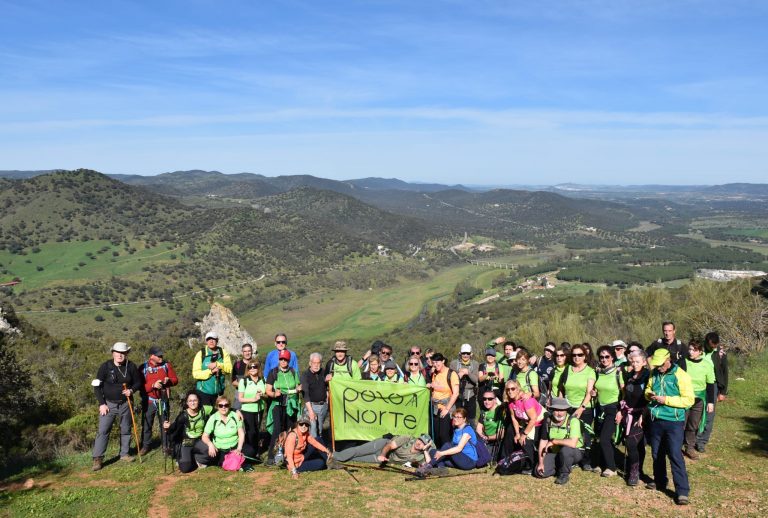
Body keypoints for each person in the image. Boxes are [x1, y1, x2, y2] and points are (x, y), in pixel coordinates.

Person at [645, 348, 694, 506]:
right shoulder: (654, 374)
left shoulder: (681, 375)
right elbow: (648, 388)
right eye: (656, 365)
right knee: (656, 453)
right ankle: (660, 482)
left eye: (660, 364)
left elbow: (688, 400)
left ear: (668, 360)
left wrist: (665, 399)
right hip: (656, 419)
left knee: (674, 454)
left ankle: (682, 491)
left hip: (674, 421)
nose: (658, 367)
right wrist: (649, 395)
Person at [91, 341, 143, 471]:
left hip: (126, 403)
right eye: (118, 352)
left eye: (123, 353)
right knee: (103, 431)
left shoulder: (131, 366)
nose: (120, 355)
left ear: (127, 354)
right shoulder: (105, 367)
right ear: (113, 353)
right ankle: (98, 459)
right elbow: (97, 386)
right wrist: (102, 404)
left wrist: (131, 390)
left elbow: (138, 382)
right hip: (108, 404)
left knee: (126, 429)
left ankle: (124, 454)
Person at [557, 343, 596, 471]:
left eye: (580, 355)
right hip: (568, 407)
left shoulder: (590, 371)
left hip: (584, 408)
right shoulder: (567, 369)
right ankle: (571, 458)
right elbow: (561, 388)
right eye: (574, 355)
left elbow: (589, 393)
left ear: (585, 356)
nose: (576, 357)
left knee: (584, 435)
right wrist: (560, 405)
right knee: (569, 433)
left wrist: (581, 408)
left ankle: (586, 460)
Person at [678, 340, 715, 460]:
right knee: (680, 423)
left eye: (694, 350)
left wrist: (710, 402)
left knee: (693, 424)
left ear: (700, 352)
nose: (691, 352)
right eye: (689, 349)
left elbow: (710, 384)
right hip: (684, 397)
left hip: (699, 399)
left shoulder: (707, 365)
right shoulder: (683, 362)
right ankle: (676, 447)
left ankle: (689, 447)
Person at [618, 349, 650, 486]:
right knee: (638, 445)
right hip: (629, 413)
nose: (635, 364)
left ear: (644, 362)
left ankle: (634, 471)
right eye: (633, 361)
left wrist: (644, 415)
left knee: (631, 442)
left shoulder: (648, 376)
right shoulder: (630, 375)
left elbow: (650, 397)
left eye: (638, 361)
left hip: (642, 414)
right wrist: (621, 410)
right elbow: (626, 394)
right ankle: (639, 469)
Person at [139, 345, 179, 455]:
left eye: (161, 354)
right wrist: (152, 385)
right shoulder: (143, 368)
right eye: (158, 355)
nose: (161, 356)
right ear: (151, 356)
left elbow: (175, 380)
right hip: (150, 401)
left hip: (163, 400)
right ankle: (146, 446)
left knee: (164, 423)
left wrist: (169, 381)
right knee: (147, 424)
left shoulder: (166, 365)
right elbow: (140, 387)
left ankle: (165, 446)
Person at [265, 349, 302, 465]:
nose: (283, 361)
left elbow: (298, 385)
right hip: (277, 404)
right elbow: (268, 391)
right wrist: (274, 394)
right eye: (281, 359)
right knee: (277, 430)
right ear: (279, 360)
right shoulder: (273, 372)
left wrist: (299, 388)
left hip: (290, 404)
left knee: (290, 429)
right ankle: (271, 456)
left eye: (285, 359)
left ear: (288, 360)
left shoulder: (292, 371)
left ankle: (287, 455)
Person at [536, 397, 584, 485]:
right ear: (552, 410)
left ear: (566, 410)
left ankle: (564, 474)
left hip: (574, 452)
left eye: (562, 410)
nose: (559, 413)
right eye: (556, 410)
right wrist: (541, 463)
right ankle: (560, 466)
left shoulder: (573, 421)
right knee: (539, 473)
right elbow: (543, 442)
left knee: (566, 450)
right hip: (556, 453)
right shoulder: (547, 421)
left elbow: (573, 443)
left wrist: (554, 441)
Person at [418, 407, 479, 474]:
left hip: (469, 461)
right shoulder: (456, 430)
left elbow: (459, 448)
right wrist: (440, 453)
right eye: (454, 417)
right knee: (433, 451)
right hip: (458, 458)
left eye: (459, 417)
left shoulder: (467, 430)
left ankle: (428, 466)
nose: (455, 419)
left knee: (446, 447)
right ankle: (441, 469)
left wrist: (441, 453)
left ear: (464, 419)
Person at [592, 345, 623, 477]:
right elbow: (598, 388)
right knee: (599, 438)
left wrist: (620, 411)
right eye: (601, 357)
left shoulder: (618, 373)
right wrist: (594, 392)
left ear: (612, 357)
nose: (604, 359)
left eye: (607, 357)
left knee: (605, 438)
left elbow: (624, 393)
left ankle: (612, 467)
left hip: (612, 408)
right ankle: (600, 463)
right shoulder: (598, 372)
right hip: (600, 408)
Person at [201, 395, 255, 468]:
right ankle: (233, 461)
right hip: (219, 448)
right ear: (217, 407)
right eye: (221, 405)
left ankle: (232, 460)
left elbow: (241, 433)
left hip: (234, 446)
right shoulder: (213, 418)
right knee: (209, 455)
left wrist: (239, 449)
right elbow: (204, 436)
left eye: (226, 405)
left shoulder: (235, 415)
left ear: (229, 406)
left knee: (250, 451)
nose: (223, 407)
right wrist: (210, 444)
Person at [697, 332, 728, 453]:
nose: (713, 348)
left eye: (715, 345)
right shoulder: (699, 350)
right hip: (698, 384)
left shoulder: (720, 353)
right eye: (711, 346)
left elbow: (725, 371)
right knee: (696, 413)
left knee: (709, 414)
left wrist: (723, 391)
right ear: (706, 343)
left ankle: (702, 441)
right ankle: (691, 438)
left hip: (713, 385)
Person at [504, 380, 545, 471]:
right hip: (528, 422)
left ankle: (532, 465)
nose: (510, 391)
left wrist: (524, 434)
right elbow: (513, 418)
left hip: (540, 422)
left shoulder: (526, 400)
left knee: (525, 441)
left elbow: (533, 418)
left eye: (513, 388)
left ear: (518, 389)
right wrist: (518, 433)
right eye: (508, 389)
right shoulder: (511, 402)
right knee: (519, 439)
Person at [164, 392, 209, 473]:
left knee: (211, 452)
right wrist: (168, 427)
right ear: (187, 403)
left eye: (195, 400)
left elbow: (219, 410)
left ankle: (197, 458)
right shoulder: (183, 416)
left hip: (199, 440)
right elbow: (174, 428)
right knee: (185, 468)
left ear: (198, 401)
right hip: (187, 441)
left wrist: (236, 410)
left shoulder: (204, 409)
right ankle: (183, 457)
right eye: (190, 401)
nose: (193, 402)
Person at [192, 332, 233, 414]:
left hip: (219, 393)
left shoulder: (223, 353)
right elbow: (195, 374)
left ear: (217, 340)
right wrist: (210, 371)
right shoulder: (201, 354)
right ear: (206, 341)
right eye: (208, 339)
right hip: (203, 393)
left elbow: (229, 369)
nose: (211, 341)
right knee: (205, 416)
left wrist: (218, 364)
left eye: (213, 339)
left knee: (219, 416)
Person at [334, 434, 433, 466]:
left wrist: (425, 451)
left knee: (357, 459)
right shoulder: (407, 438)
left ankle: (336, 460)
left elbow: (428, 465)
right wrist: (382, 454)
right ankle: (334, 455)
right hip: (382, 446)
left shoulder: (420, 456)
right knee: (357, 451)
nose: (419, 443)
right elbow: (389, 446)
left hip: (384, 460)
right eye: (419, 440)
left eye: (423, 443)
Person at [429, 353, 460, 448]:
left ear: (443, 361)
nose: (435, 364)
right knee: (436, 435)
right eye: (433, 362)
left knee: (444, 435)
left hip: (446, 408)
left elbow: (456, 393)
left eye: (437, 362)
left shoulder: (452, 374)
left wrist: (447, 409)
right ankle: (437, 456)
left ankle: (446, 457)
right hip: (435, 408)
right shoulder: (434, 373)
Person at [238, 359, 266, 459]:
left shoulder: (263, 380)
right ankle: (250, 452)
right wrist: (253, 399)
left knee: (257, 431)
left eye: (255, 367)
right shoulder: (244, 381)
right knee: (251, 432)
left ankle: (256, 452)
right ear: (248, 369)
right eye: (250, 367)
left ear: (258, 368)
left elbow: (267, 394)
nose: (253, 369)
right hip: (247, 410)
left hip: (259, 409)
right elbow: (240, 398)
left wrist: (263, 395)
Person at [301, 352, 328, 439]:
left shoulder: (324, 372)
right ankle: (312, 449)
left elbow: (327, 388)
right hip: (311, 406)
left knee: (319, 429)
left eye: (318, 363)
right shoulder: (305, 375)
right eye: (314, 363)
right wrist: (311, 411)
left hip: (323, 406)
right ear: (310, 363)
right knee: (313, 429)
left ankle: (317, 447)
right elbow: (306, 394)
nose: (316, 365)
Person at [449, 344, 479, 421]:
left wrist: (468, 373)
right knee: (456, 418)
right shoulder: (453, 364)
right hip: (457, 396)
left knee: (471, 420)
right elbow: (449, 380)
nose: (465, 355)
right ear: (460, 353)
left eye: (467, 353)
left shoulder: (475, 364)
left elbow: (476, 380)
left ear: (471, 354)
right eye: (463, 353)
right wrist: (458, 375)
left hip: (471, 396)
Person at [231, 343, 256, 410]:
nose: (247, 353)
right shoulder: (237, 365)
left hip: (252, 398)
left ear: (252, 351)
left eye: (249, 351)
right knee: (237, 417)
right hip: (239, 398)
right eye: (245, 351)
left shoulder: (256, 364)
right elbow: (233, 382)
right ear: (242, 353)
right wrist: (244, 385)